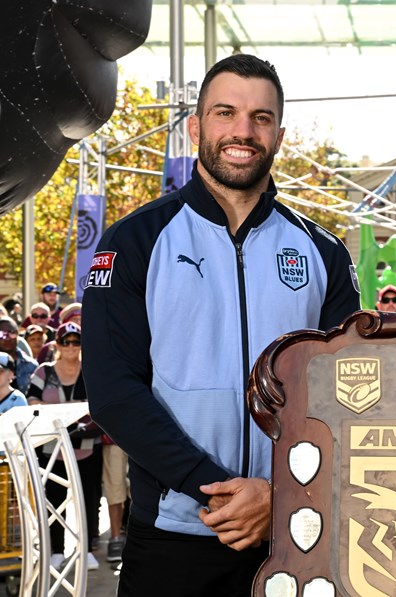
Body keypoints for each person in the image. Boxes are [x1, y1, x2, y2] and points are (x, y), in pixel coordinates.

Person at [82, 54, 360, 597]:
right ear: (195, 126)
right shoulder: (133, 241)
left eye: (260, 118)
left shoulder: (322, 251)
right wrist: (217, 493)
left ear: (279, 135)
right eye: (225, 112)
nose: (243, 131)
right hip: (172, 538)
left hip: (299, 529)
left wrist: (280, 493)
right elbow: (113, 392)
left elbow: (351, 397)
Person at [27, 322, 102, 571]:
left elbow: (100, 403)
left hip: (88, 447)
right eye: (66, 341)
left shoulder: (92, 370)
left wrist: (62, 412)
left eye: (76, 341)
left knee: (88, 500)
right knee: (53, 500)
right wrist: (74, 409)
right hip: (52, 449)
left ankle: (87, 549)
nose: (71, 346)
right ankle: (57, 550)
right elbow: (31, 401)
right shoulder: (44, 372)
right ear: (57, 344)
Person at [0, 317, 37, 394]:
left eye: (12, 333)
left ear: (18, 335)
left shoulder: (32, 365)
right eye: (2, 334)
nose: (7, 338)